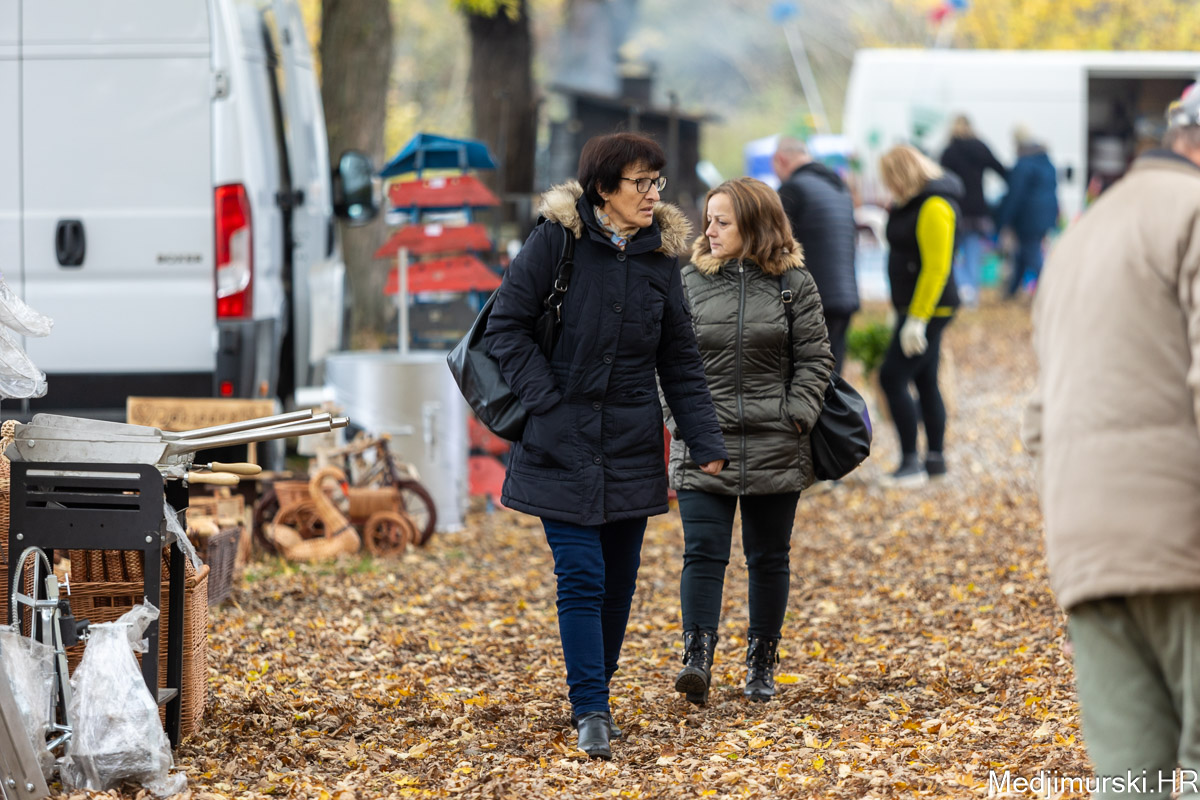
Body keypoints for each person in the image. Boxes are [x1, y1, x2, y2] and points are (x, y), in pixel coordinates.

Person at [484, 132, 728, 761]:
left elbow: (679, 359)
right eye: (639, 182)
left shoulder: (660, 258)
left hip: (631, 442)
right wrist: (547, 404)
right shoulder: (556, 241)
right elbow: (506, 326)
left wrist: (705, 438)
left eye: (656, 182)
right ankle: (590, 708)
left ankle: (599, 690)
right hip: (558, 441)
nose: (652, 194)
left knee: (619, 582)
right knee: (582, 575)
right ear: (602, 189)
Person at [1024, 83, 1200, 797]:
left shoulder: (1079, 238)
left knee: (1132, 781)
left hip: (1087, 545)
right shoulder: (1194, 214)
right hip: (1185, 539)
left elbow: (1038, 416)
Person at [666, 177, 834, 705]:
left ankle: (761, 662)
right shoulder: (688, 281)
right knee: (702, 552)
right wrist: (682, 424)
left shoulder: (794, 283)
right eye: (708, 219)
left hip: (774, 441)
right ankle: (697, 659)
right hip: (703, 440)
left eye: (723, 221)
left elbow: (816, 358)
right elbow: (665, 361)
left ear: (756, 225)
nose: (709, 230)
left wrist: (796, 417)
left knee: (768, 557)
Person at [877, 144, 961, 487]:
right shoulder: (909, 203)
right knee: (925, 379)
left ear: (903, 174)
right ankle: (935, 460)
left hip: (929, 308)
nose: (888, 186)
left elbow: (936, 268)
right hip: (913, 307)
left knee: (892, 378)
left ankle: (910, 463)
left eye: (890, 178)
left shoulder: (934, 205)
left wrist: (917, 319)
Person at [773, 137, 860, 373]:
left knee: (808, 377)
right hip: (845, 296)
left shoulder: (793, 189)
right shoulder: (839, 187)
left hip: (812, 299)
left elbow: (773, 245)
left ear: (781, 160)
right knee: (832, 378)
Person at [939, 114, 1007, 307]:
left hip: (955, 208)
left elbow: (940, 178)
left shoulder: (949, 151)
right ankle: (972, 294)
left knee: (952, 252)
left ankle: (962, 288)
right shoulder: (980, 148)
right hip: (977, 209)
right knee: (973, 251)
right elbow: (1001, 170)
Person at [994, 124, 1059, 298]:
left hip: (1029, 217)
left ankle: (1051, 290)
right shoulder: (1046, 161)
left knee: (1031, 253)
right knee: (1023, 253)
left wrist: (1002, 220)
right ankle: (1011, 291)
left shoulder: (1023, 165)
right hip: (1046, 214)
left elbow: (1014, 196)